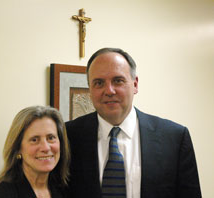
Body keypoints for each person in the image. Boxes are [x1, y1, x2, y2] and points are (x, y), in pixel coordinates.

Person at [65, 48, 201, 198]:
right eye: (99, 83)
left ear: (135, 84)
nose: (109, 90)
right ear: (90, 89)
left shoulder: (175, 138)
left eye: (118, 81)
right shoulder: (68, 136)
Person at [0, 106, 70, 198]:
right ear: (18, 147)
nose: (46, 148)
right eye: (34, 140)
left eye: (51, 138)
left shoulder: (66, 191)